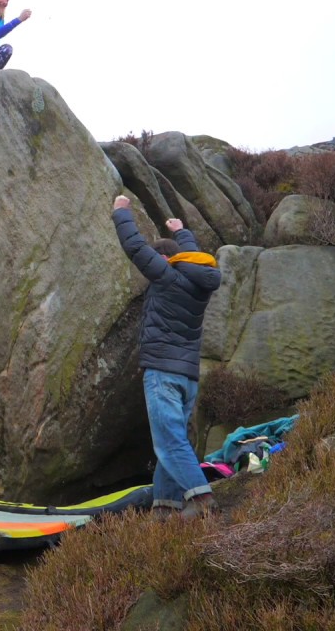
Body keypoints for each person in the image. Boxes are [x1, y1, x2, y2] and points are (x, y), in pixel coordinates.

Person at [112, 195, 223, 519]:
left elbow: (134, 246)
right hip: (187, 377)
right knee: (169, 442)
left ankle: (202, 502)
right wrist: (182, 231)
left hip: (161, 373)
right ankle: (164, 509)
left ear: (163, 259)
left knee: (170, 442)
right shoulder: (199, 284)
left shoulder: (167, 277)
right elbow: (196, 256)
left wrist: (121, 212)